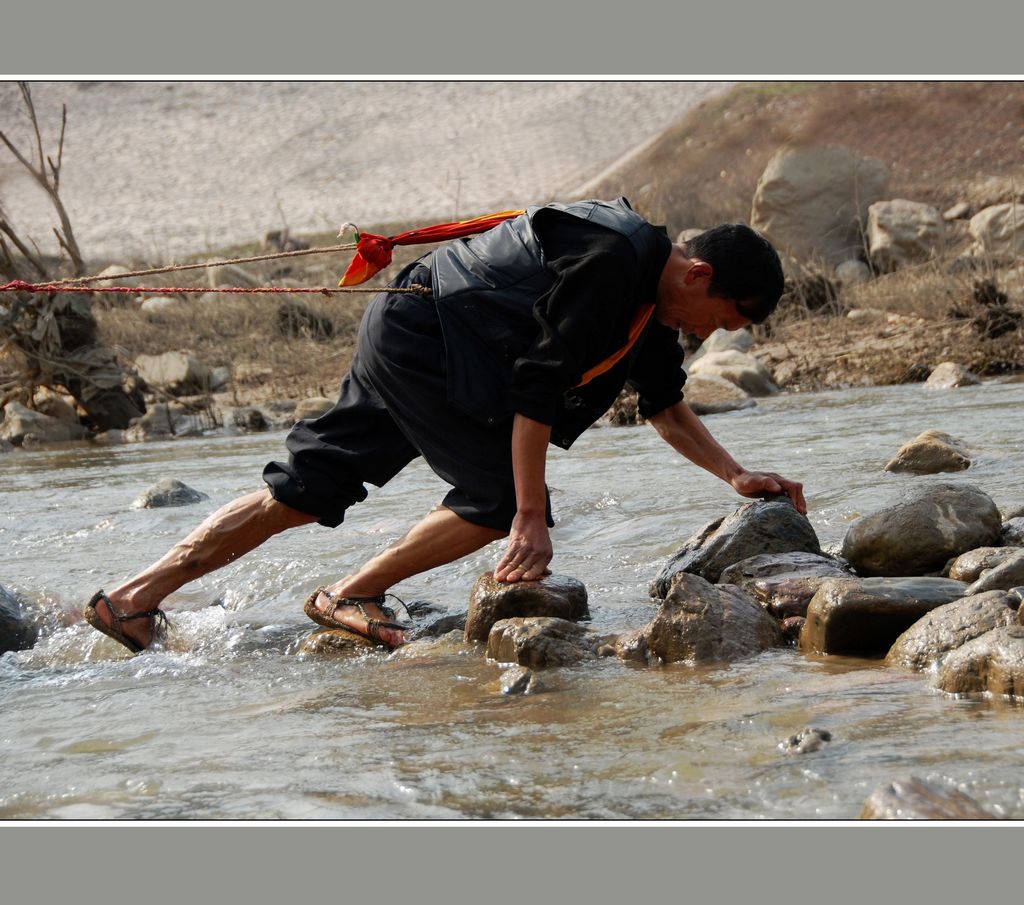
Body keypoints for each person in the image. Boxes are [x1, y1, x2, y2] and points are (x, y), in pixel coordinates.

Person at [84, 197, 805, 654]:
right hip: (427, 337)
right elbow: (537, 385)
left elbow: (665, 406)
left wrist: (735, 474)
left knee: (305, 491)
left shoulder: (651, 305)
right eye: (727, 320)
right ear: (701, 275)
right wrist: (527, 515)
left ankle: (130, 602)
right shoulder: (616, 262)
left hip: (419, 331)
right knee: (497, 501)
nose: (715, 334)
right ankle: (349, 594)